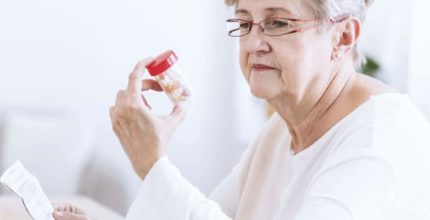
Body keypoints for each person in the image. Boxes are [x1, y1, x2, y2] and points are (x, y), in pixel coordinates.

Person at [52, 0, 430, 219]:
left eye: (278, 22)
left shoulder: (380, 141)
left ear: (342, 37)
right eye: (245, 23)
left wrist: (152, 164)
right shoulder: (282, 129)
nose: (254, 43)